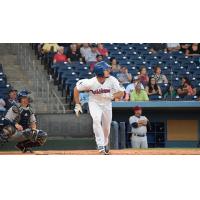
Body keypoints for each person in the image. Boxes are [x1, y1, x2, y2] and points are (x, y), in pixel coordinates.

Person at [73, 61, 124, 155]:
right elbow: (76, 89)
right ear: (100, 72)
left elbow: (121, 93)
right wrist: (77, 104)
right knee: (96, 120)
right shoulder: (90, 82)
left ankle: (105, 143)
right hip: (94, 103)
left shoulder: (112, 80)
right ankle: (100, 146)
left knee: (106, 127)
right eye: (106, 69)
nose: (109, 70)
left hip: (107, 104)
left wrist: (111, 96)